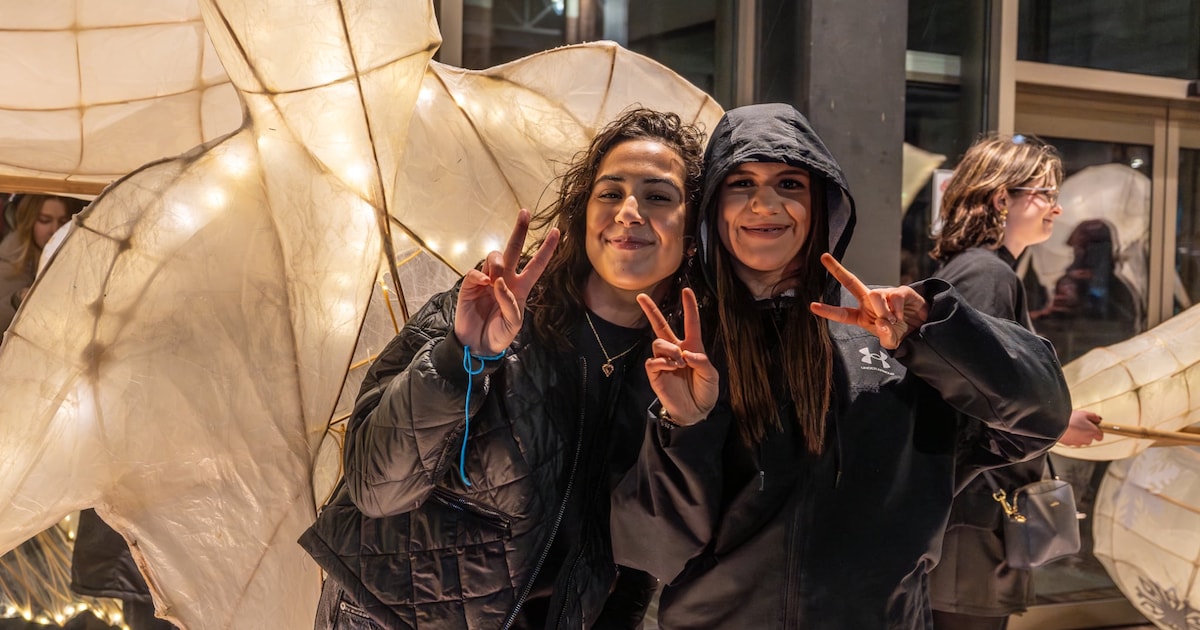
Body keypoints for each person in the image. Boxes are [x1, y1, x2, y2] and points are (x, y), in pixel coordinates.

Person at [609, 103, 1073, 629]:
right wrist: (683, 427)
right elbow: (653, 548)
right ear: (713, 208)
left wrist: (937, 333)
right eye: (740, 184)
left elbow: (1039, 419)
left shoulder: (889, 342)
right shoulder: (679, 352)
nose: (765, 203)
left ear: (822, 204)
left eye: (790, 184)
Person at [299, 108, 706, 629]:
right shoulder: (487, 310)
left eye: (657, 195)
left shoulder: (680, 369)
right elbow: (377, 489)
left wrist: (686, 426)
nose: (629, 211)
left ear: (692, 231)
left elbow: (631, 567)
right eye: (610, 192)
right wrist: (462, 356)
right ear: (584, 214)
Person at [928, 133, 1104, 630]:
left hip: (972, 518)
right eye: (1045, 193)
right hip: (973, 523)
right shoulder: (988, 276)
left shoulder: (978, 270)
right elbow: (971, 402)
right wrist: (1054, 424)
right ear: (1002, 197)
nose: (1056, 206)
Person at [0, 194, 87, 330]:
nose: (54, 230)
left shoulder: (83, 256)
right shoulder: (11, 260)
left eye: (63, 222)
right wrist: (18, 300)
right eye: (45, 220)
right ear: (29, 222)